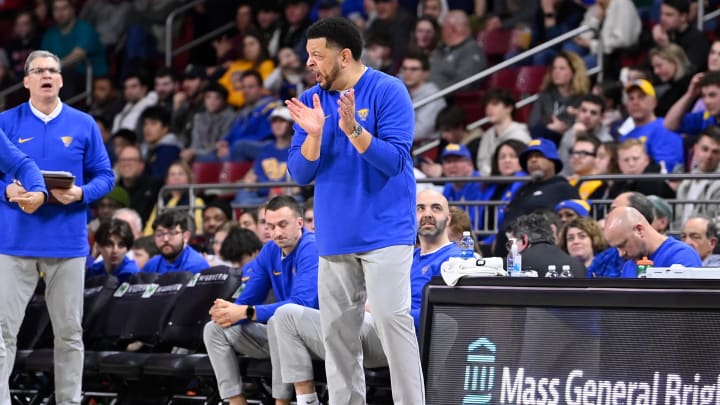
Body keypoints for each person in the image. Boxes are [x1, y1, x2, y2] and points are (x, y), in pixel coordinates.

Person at [285, 17, 423, 404]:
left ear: (344, 56)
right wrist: (313, 135)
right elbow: (300, 172)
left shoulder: (388, 90)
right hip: (334, 235)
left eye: (317, 55)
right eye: (307, 55)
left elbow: (395, 161)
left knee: (393, 324)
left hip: (385, 232)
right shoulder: (314, 100)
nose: (309, 63)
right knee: (338, 338)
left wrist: (353, 130)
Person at [267, 189, 461, 405]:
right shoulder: (404, 255)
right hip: (371, 326)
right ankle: (306, 401)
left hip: (402, 334)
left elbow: (446, 317)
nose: (427, 214)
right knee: (282, 318)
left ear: (448, 217)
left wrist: (380, 308)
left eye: (436, 208)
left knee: (289, 315)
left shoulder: (455, 258)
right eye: (420, 208)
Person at [0, 50, 114, 405]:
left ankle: (69, 401)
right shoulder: (5, 121)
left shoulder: (83, 124)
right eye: (38, 70)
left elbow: (107, 177)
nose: (46, 75)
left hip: (67, 244)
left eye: (52, 70)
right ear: (26, 80)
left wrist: (80, 192)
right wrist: (5, 189)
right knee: (3, 333)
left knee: (69, 334)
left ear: (61, 80)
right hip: (14, 242)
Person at [203, 195, 319, 405]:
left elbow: (302, 304)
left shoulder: (312, 247)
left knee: (279, 322)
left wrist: (246, 312)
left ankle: (280, 401)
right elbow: (249, 296)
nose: (276, 233)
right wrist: (227, 311)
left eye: (283, 225)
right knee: (214, 328)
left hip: (315, 336)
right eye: (271, 226)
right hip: (282, 337)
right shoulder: (270, 250)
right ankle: (236, 401)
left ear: (300, 223)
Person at [604, 206, 702, 277]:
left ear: (639, 230)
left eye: (622, 244)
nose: (621, 254)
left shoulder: (682, 256)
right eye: (617, 247)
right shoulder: (629, 266)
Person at [506, 212, 587, 277]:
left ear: (524, 240)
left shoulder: (510, 265)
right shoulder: (577, 265)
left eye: (511, 244)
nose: (510, 250)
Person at [142, 209, 209, 274]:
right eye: (159, 234)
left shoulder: (196, 265)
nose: (165, 239)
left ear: (186, 236)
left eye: (172, 233)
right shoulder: (152, 264)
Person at [86, 218, 139, 283]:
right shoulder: (93, 271)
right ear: (99, 246)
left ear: (127, 249)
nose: (115, 250)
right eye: (109, 244)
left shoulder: (131, 275)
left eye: (121, 245)